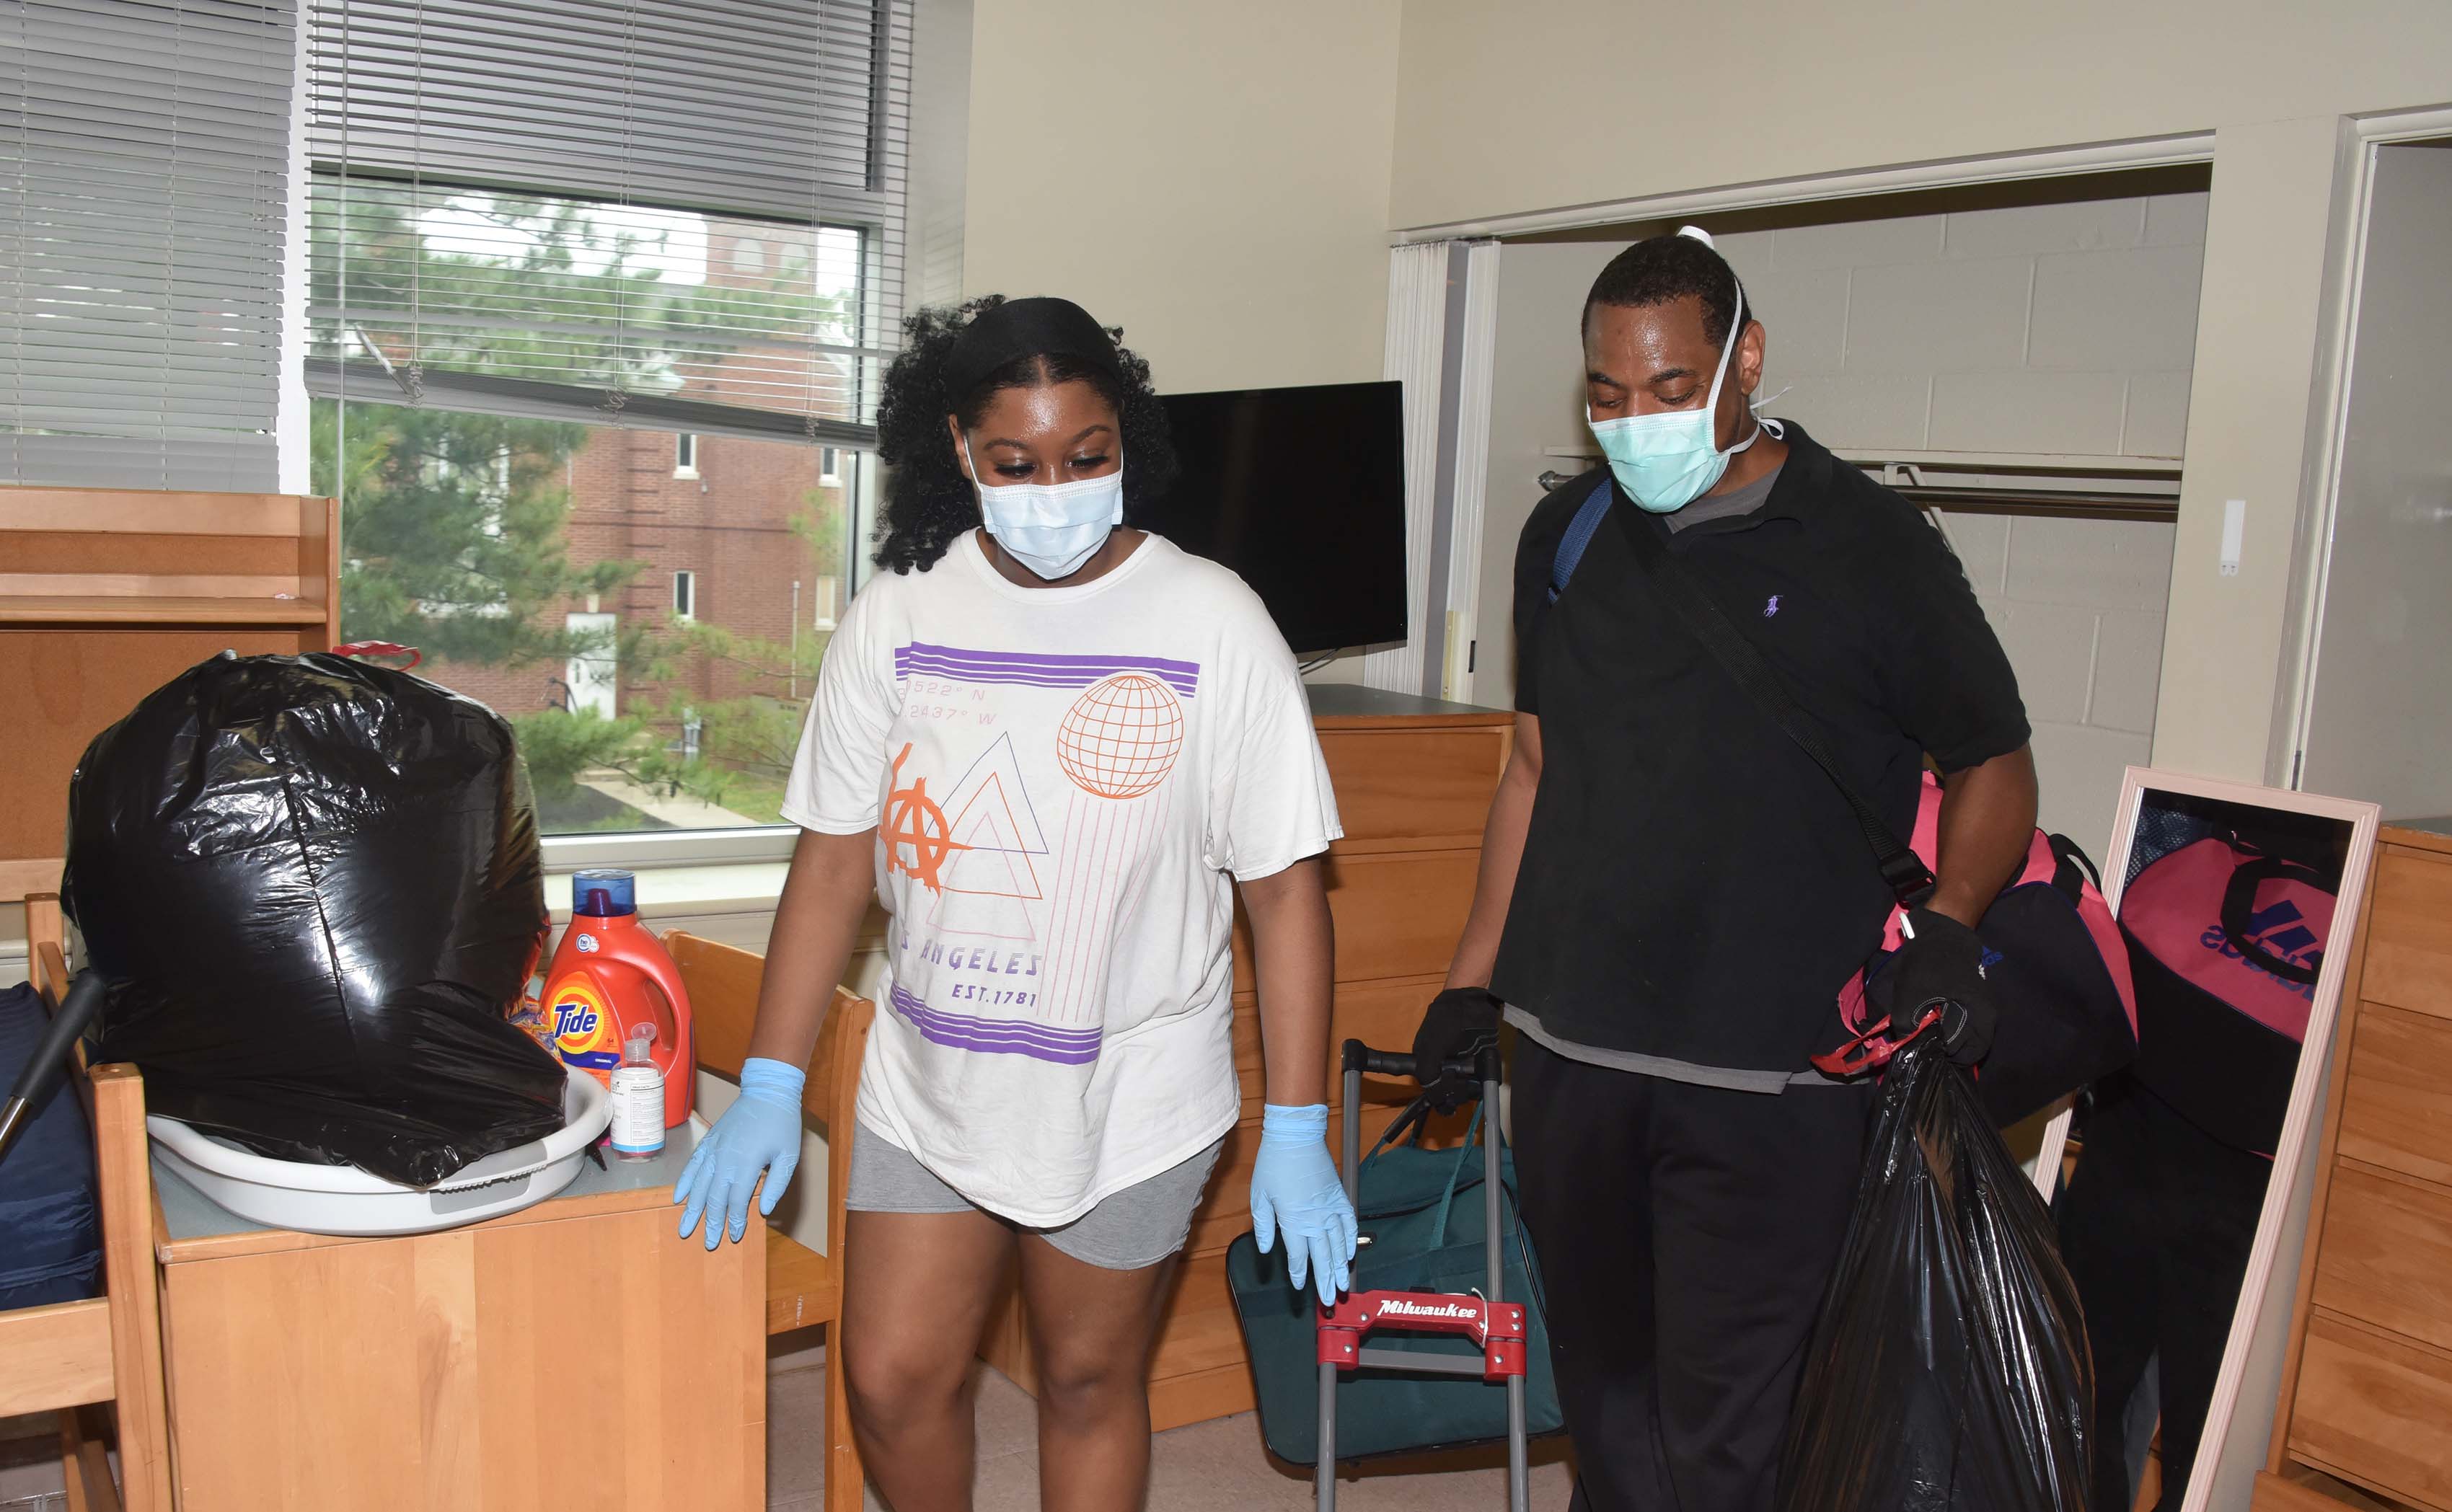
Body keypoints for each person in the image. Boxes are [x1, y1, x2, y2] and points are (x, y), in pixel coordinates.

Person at [673, 294, 1355, 1512]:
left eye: (1087, 458)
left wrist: (1297, 1128)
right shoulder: (901, 620)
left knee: (1088, 1378)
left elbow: (1288, 895)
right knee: (888, 1377)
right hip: (932, 1076)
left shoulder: (1215, 620)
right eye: (1016, 463)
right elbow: (834, 865)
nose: (1056, 488)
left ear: (1126, 444)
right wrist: (772, 1079)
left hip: (1131, 1086)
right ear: (958, 452)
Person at [1413, 229, 2039, 1511]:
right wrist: (1473, 983)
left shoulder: (1871, 544)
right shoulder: (1565, 535)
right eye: (1606, 392)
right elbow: (1533, 772)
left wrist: (1952, 924)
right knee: (1611, 1418)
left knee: (1732, 1448)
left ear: (1744, 358)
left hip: (1777, 1076)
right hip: (1575, 1056)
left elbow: (1995, 763)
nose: (1633, 419)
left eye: (1666, 387)